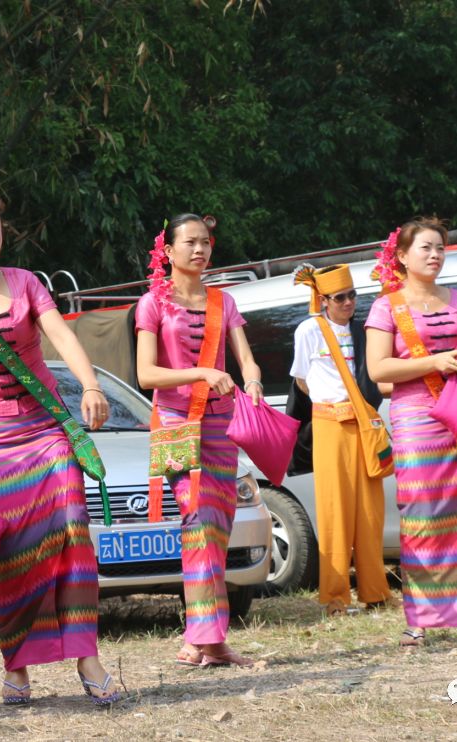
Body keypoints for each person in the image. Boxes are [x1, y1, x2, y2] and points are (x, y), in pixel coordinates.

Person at [0, 182, 119, 705]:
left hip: (47, 426)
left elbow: (62, 337)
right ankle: (17, 664)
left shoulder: (27, 283)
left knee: (73, 531)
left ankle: (88, 657)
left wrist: (92, 385)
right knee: (12, 555)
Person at [365, 217, 457, 647]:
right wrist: (434, 363)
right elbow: (379, 370)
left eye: (440, 248)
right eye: (425, 248)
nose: (434, 255)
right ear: (403, 257)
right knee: (422, 515)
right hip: (415, 420)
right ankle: (421, 617)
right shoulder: (386, 306)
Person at [135, 214, 263, 667]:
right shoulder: (153, 303)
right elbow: (146, 374)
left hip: (221, 425)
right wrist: (204, 372)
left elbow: (246, 359)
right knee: (198, 523)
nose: (199, 250)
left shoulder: (222, 302)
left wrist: (252, 380)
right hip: (175, 424)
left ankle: (205, 638)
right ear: (167, 251)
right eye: (189, 242)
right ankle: (207, 638)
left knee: (219, 527)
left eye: (205, 242)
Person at [289, 263, 392, 616]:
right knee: (334, 511)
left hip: (364, 424)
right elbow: (301, 382)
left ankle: (375, 592)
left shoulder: (365, 331)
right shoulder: (309, 330)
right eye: (340, 297)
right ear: (323, 299)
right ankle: (335, 597)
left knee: (370, 511)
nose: (348, 303)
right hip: (330, 424)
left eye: (352, 295)